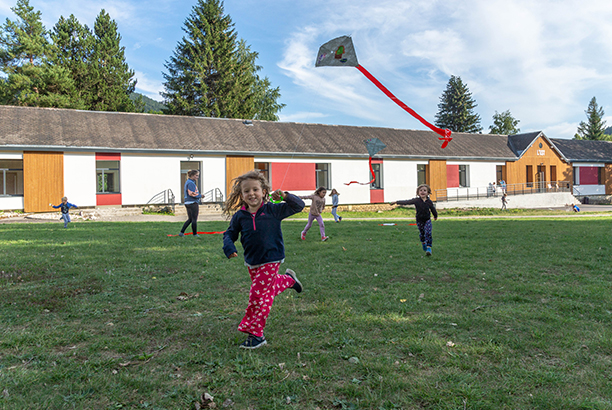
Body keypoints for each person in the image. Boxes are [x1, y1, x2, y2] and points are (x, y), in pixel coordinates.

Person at [222, 170, 305, 349]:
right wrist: (228, 246)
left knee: (258, 295)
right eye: (247, 191)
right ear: (241, 195)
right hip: (252, 260)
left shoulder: (273, 210)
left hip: (272, 257)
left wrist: (285, 196)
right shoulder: (240, 216)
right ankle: (289, 280)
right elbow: (229, 233)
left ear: (264, 191)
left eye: (255, 189)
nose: (251, 193)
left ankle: (256, 335)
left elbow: (299, 206)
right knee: (265, 291)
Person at [390, 184, 438, 256]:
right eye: (420, 190)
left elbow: (433, 209)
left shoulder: (429, 202)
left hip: (427, 220)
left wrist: (435, 216)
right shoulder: (416, 201)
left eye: (424, 190)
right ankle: (423, 243)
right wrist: (396, 202)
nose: (422, 192)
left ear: (428, 193)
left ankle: (429, 248)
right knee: (422, 234)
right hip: (419, 220)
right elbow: (406, 202)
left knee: (428, 233)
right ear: (418, 193)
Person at [179, 170, 202, 238]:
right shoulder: (191, 183)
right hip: (192, 203)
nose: (197, 177)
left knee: (190, 219)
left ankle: (181, 232)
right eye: (196, 175)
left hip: (187, 202)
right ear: (192, 176)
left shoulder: (188, 182)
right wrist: (200, 196)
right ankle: (195, 234)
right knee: (194, 219)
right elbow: (191, 193)